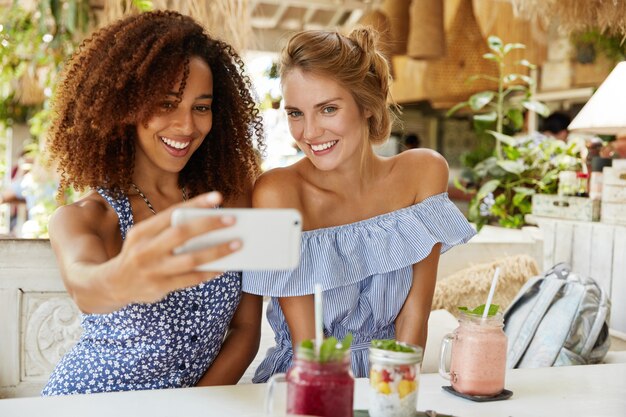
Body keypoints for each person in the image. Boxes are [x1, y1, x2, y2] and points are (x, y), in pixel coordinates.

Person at [41, 11, 264, 395]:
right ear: (124, 107)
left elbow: (245, 331)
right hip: (87, 402)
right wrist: (123, 278)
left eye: (201, 106)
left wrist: (188, 409)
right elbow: (85, 286)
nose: (186, 126)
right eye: (166, 103)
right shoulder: (92, 216)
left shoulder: (233, 200)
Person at [242, 27, 476, 382]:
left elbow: (414, 317)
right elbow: (309, 347)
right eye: (295, 113)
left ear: (367, 105)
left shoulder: (424, 173)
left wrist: (396, 398)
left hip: (392, 376)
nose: (309, 132)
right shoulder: (277, 192)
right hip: (312, 381)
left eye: (328, 109)